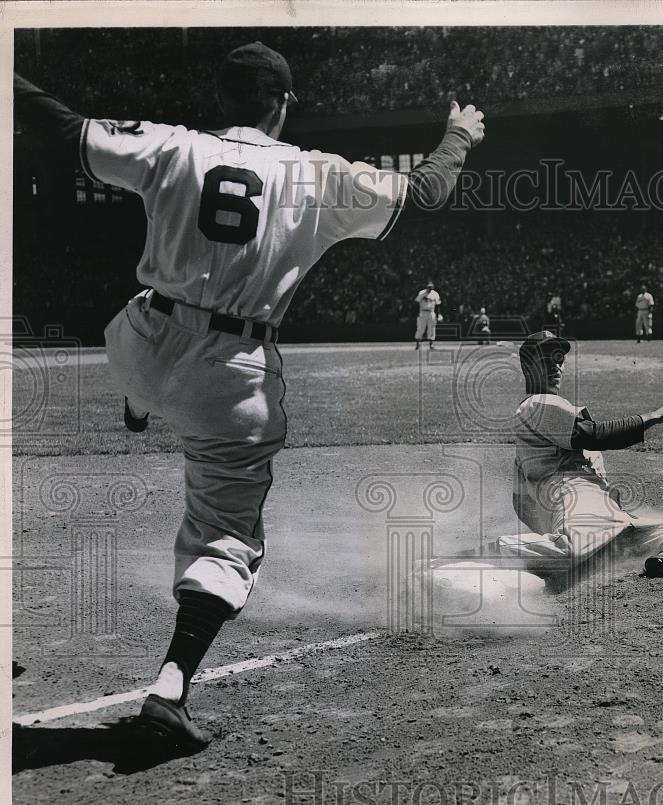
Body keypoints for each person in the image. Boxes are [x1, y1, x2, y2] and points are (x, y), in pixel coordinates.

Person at [14, 44, 485, 747]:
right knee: (223, 534)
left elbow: (58, 126)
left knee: (144, 332)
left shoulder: (172, 145)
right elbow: (425, 192)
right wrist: (459, 135)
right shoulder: (315, 173)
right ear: (283, 103)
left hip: (139, 338)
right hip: (230, 372)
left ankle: (141, 401)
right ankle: (171, 688)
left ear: (223, 99)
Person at [496, 330, 663, 586]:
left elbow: (520, 498)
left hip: (604, 514)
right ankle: (493, 550)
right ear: (528, 366)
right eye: (547, 358)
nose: (556, 365)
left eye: (559, 359)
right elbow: (594, 435)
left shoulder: (544, 416)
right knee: (571, 550)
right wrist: (656, 415)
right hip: (574, 501)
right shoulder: (537, 403)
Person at [414, 281, 441, 349]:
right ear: (426, 287)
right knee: (420, 328)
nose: (430, 288)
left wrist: (438, 314)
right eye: (429, 287)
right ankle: (418, 344)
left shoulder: (435, 294)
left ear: (433, 287)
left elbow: (438, 305)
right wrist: (417, 313)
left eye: (431, 287)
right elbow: (416, 302)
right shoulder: (422, 293)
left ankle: (431, 344)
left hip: (431, 312)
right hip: (423, 312)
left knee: (431, 329)